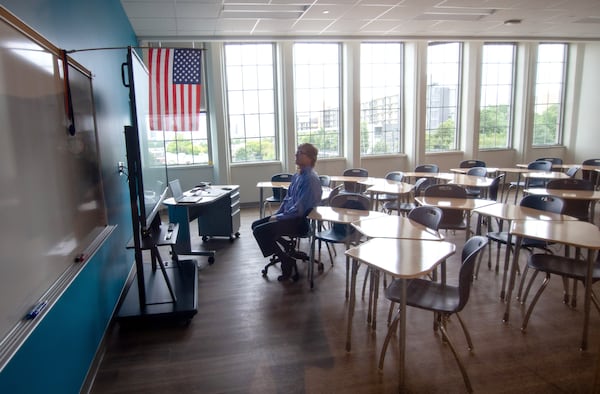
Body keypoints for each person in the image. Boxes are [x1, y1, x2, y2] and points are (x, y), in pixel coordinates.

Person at [252, 143, 322, 281]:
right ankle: (287, 248)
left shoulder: (310, 179)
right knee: (255, 225)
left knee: (260, 231)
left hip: (298, 222)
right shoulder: (298, 175)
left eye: (300, 152)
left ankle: (285, 260)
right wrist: (277, 215)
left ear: (310, 158)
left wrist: (279, 218)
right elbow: (287, 199)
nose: (296, 154)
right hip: (289, 217)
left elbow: (299, 209)